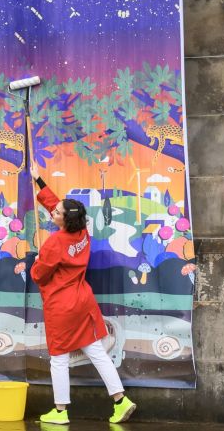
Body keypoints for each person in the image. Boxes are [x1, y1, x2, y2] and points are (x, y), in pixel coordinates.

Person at [23, 164, 137, 424]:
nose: (54, 212)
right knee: (96, 351)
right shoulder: (82, 232)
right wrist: (39, 180)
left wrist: (39, 259)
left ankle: (61, 411)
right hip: (82, 302)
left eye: (58, 213)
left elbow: (39, 275)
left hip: (62, 306)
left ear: (65, 220)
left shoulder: (54, 243)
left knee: (59, 359)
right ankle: (120, 400)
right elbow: (57, 205)